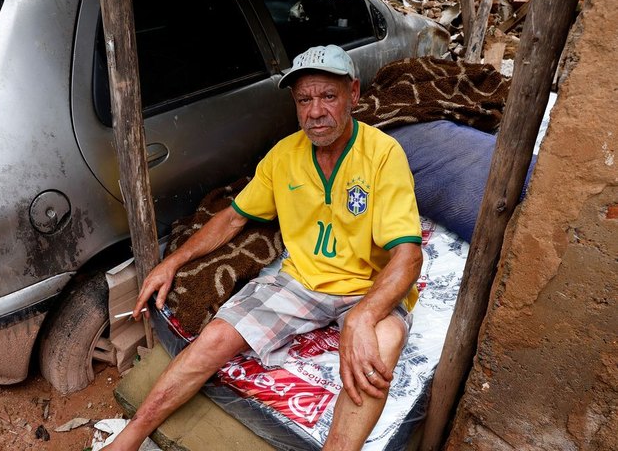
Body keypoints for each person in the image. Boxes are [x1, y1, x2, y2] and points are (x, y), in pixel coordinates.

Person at [108, 45, 423, 451]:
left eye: (328, 96)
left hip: (369, 287)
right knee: (214, 338)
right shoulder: (283, 156)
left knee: (379, 347)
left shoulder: (383, 154)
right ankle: (129, 439)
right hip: (301, 281)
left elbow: (409, 255)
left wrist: (365, 314)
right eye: (304, 100)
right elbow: (234, 217)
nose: (315, 111)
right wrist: (174, 260)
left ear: (354, 95)